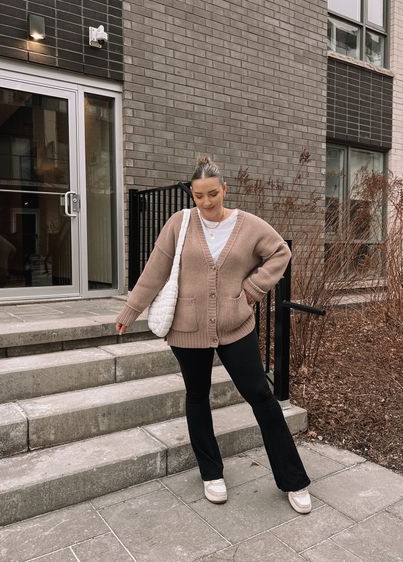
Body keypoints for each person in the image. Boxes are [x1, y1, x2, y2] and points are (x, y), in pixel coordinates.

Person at [116, 156, 311, 514]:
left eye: (212, 194)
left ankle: (293, 479)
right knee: (197, 395)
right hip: (187, 327)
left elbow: (280, 253)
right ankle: (211, 473)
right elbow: (155, 269)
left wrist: (250, 292)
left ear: (224, 190)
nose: (206, 203)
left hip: (236, 326)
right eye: (198, 196)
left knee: (261, 397)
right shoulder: (179, 223)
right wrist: (131, 310)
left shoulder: (248, 225)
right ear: (192, 195)